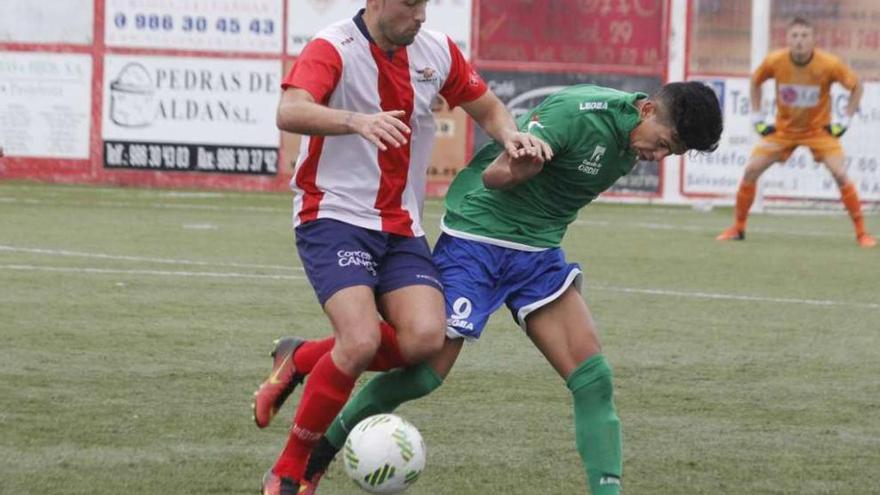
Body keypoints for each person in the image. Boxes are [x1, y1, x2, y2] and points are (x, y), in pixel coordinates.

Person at [263, 81, 724, 494]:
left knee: (594, 379)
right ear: (647, 112)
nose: (659, 157)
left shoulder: (635, 138)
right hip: (478, 239)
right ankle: (319, 454)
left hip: (538, 253)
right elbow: (494, 176)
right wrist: (518, 168)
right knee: (422, 373)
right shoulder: (577, 113)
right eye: (663, 144)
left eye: (673, 153)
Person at [254, 1, 550, 494]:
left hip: (401, 224)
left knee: (423, 342)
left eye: (425, 4)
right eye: (410, 4)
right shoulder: (334, 46)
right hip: (334, 215)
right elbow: (290, 109)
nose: (421, 16)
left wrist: (510, 136)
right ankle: (290, 470)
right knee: (361, 340)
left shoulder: (435, 51)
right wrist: (355, 121)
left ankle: (302, 358)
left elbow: (489, 108)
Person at [717, 17, 876, 247]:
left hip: (818, 132)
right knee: (751, 170)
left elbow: (856, 87)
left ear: (813, 40)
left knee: (840, 174)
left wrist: (844, 120)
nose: (799, 41)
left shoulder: (829, 64)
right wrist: (757, 118)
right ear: (787, 39)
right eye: (795, 36)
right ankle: (738, 228)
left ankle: (862, 234)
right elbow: (755, 82)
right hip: (784, 131)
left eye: (804, 36)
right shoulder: (775, 61)